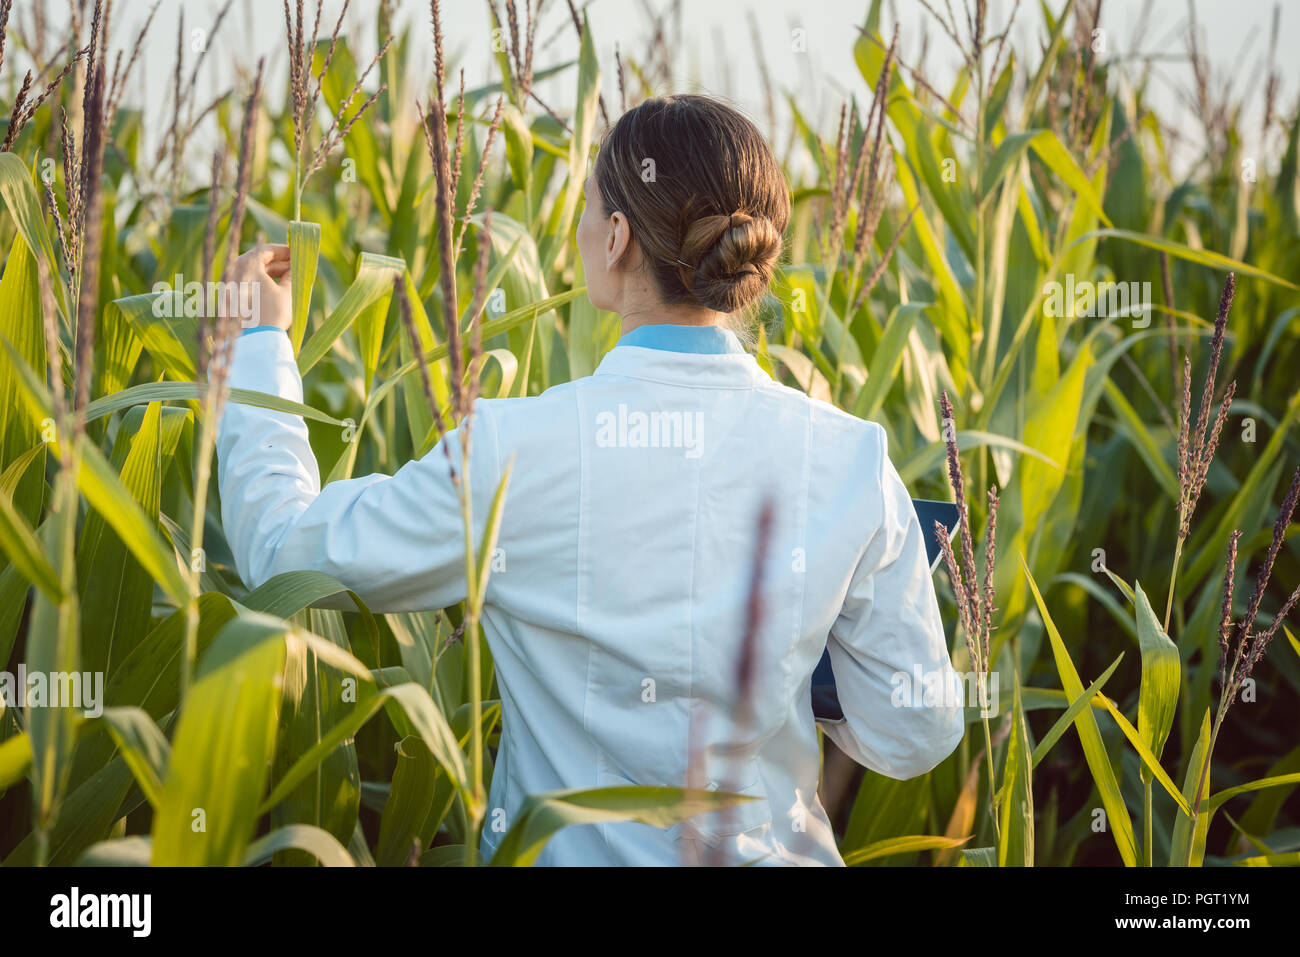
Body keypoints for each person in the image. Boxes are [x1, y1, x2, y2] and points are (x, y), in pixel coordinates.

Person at [216, 94, 965, 866]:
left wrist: (261, 342)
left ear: (616, 238)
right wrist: (786, 656)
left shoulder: (512, 452)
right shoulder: (850, 459)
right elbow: (917, 731)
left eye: (588, 210)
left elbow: (281, 556)